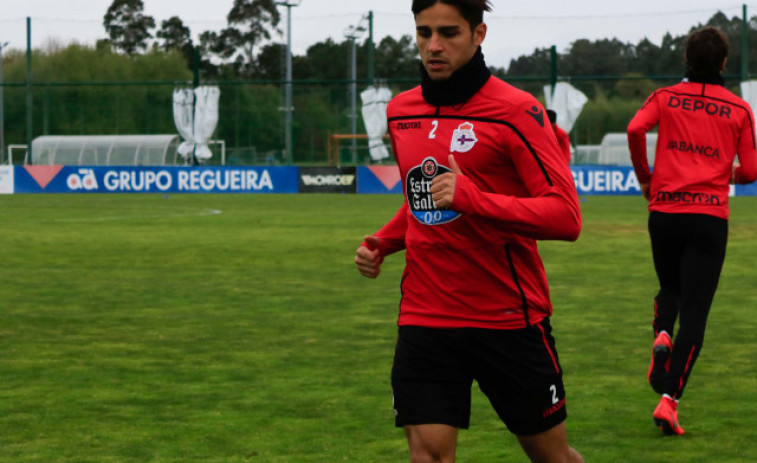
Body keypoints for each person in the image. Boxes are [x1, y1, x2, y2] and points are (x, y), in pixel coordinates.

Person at [354, 1, 584, 461]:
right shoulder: (401, 112)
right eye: (423, 33)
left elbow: (565, 217)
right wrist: (384, 240)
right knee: (430, 455)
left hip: (507, 318)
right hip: (425, 315)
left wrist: (472, 197)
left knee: (551, 457)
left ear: (479, 34)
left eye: (448, 33)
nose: (433, 46)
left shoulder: (517, 112)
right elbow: (425, 200)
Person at [627, 25, 757, 436]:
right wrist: (723, 172)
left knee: (670, 288)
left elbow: (634, 130)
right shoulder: (739, 109)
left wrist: (646, 177)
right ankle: (670, 402)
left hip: (664, 211)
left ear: (686, 59)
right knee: (696, 312)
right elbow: (752, 171)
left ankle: (662, 333)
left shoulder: (664, 97)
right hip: (708, 218)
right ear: (723, 63)